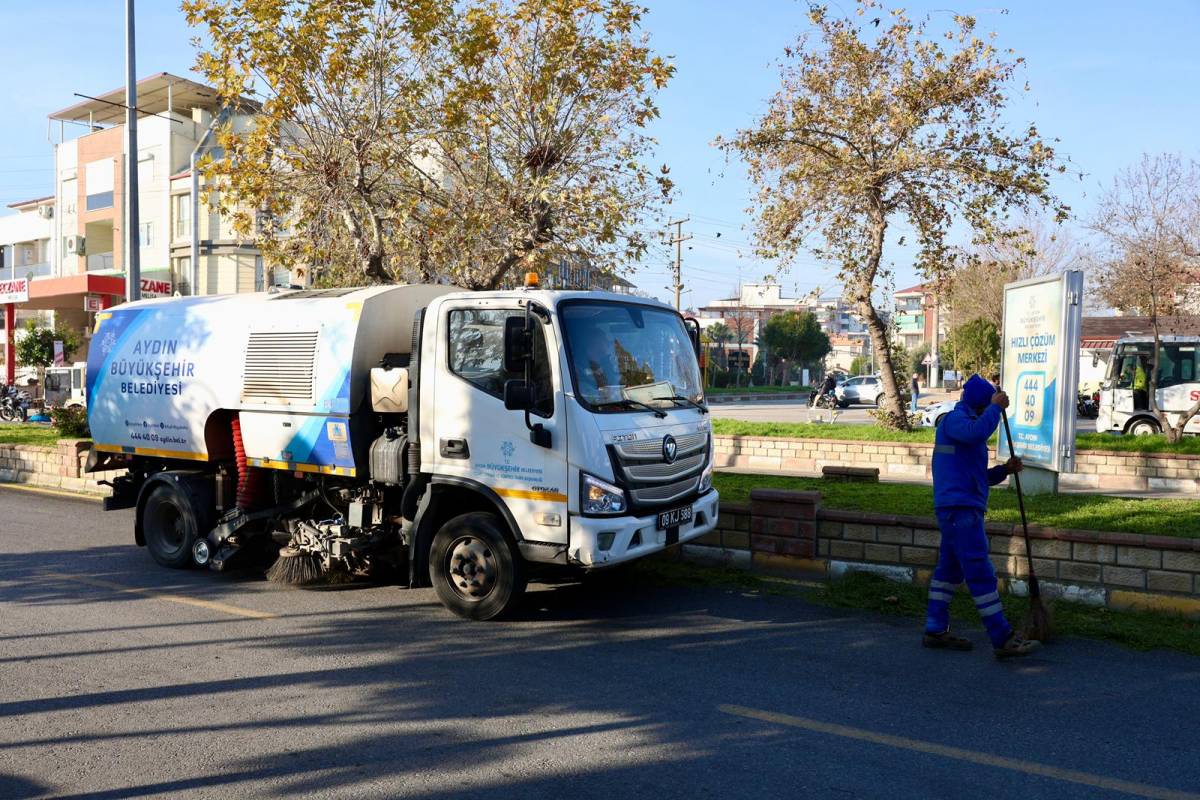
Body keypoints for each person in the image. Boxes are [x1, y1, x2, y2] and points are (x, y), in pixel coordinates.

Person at [923, 374, 1041, 660]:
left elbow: (976, 476)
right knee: (980, 572)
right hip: (960, 510)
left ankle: (935, 629)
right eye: (986, 406)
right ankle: (1002, 638)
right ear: (980, 404)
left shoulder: (966, 426)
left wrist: (1004, 470)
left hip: (958, 507)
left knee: (949, 571)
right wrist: (996, 408)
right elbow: (976, 433)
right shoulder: (955, 421)